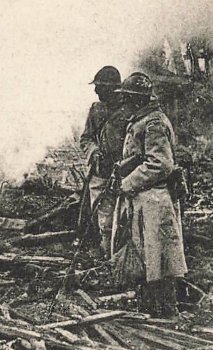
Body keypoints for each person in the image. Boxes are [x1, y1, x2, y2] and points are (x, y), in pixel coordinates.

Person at [112, 72, 187, 319]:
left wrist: (127, 183)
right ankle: (152, 310)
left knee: (158, 259)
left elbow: (160, 164)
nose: (125, 104)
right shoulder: (143, 120)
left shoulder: (153, 123)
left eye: (129, 98)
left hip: (154, 199)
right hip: (144, 199)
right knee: (148, 258)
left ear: (138, 99)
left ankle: (165, 312)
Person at [79, 66, 130, 258]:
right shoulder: (96, 109)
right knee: (102, 218)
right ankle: (107, 255)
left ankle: (119, 256)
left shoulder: (128, 110)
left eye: (100, 87)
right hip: (100, 174)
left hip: (124, 174)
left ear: (113, 89)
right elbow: (86, 138)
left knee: (124, 217)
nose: (96, 91)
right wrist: (94, 151)